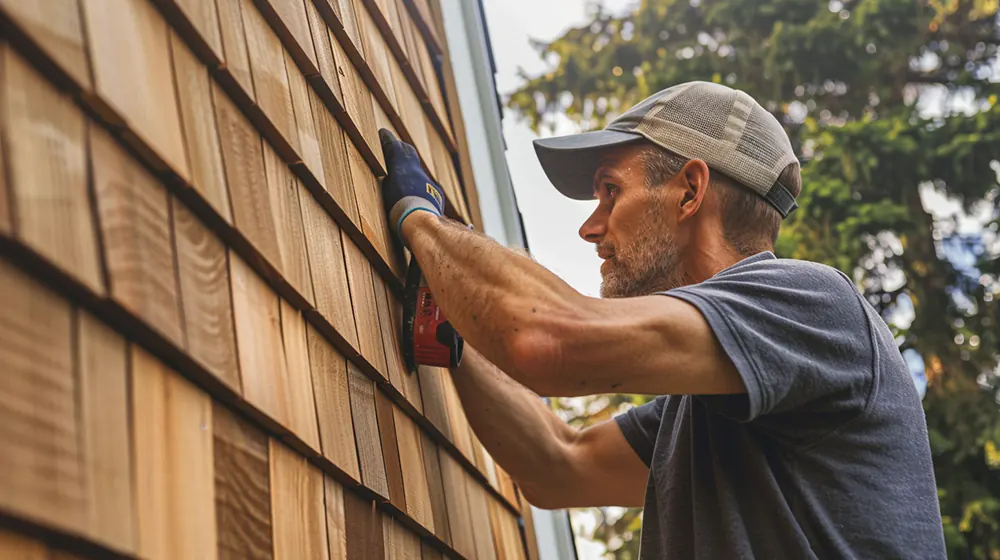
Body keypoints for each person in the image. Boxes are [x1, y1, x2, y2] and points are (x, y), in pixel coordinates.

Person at [378, 81, 946, 558]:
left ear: (690, 192)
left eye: (610, 191)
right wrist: (453, 327)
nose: (590, 227)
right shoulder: (702, 405)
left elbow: (548, 340)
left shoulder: (811, 303)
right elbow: (559, 465)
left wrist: (423, 222)